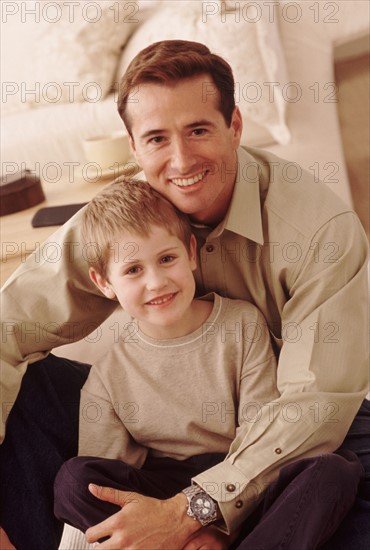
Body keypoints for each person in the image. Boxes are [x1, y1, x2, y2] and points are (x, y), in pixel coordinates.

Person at [0, 39, 369, 550]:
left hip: (289, 425)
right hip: (165, 433)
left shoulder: (321, 231)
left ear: (235, 126)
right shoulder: (121, 220)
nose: (180, 159)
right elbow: (7, 326)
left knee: (342, 477)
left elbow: (313, 405)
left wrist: (195, 514)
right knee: (27, 388)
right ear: (133, 147)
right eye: (156, 139)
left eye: (198, 130)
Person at [53, 179, 362, 550]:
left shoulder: (241, 324)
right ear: (104, 282)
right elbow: (107, 485)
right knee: (73, 479)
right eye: (133, 270)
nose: (157, 282)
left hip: (244, 480)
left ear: (191, 253)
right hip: (163, 490)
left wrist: (214, 525)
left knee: (334, 471)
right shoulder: (107, 376)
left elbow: (259, 430)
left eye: (167, 259)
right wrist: (165, 520)